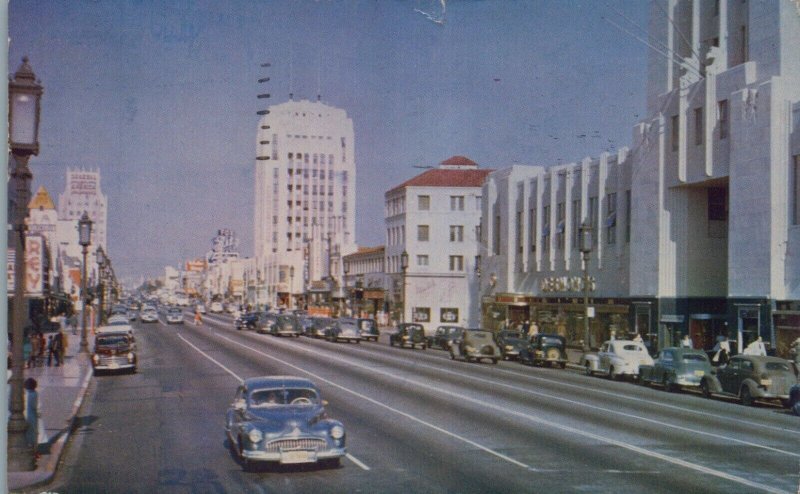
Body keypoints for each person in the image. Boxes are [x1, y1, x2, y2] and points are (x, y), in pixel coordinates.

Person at [23, 377, 41, 453]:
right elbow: (34, 406)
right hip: (32, 415)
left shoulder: (24, 394)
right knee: (34, 432)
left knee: (26, 432)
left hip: (24, 414)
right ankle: (34, 450)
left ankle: (27, 446)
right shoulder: (35, 393)